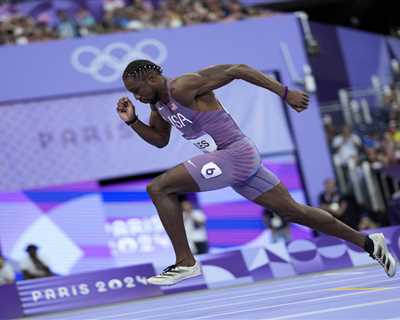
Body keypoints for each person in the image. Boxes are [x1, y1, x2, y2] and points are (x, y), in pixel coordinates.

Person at [116, 60, 397, 285]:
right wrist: (132, 122)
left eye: (136, 89)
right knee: (293, 212)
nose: (135, 96)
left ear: (152, 80)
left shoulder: (182, 87)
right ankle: (370, 243)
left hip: (235, 153)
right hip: (234, 162)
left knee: (158, 188)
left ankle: (186, 262)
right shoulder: (158, 105)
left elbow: (238, 70)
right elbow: (159, 140)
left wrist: (285, 93)